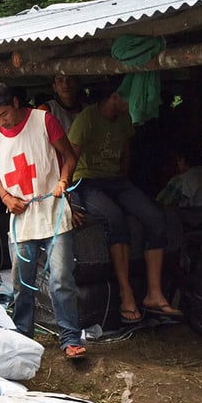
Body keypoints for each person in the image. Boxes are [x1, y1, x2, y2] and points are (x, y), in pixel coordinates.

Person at [0, 83, 86, 359]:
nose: (1, 122)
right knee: (21, 282)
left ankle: (70, 338)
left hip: (53, 210)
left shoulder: (43, 120)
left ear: (16, 102)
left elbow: (69, 156)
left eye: (4, 114)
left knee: (61, 277)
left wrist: (63, 180)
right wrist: (5, 197)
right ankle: (22, 335)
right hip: (21, 218)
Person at [68, 78, 182, 323]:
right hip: (87, 181)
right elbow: (70, 159)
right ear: (115, 97)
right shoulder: (86, 119)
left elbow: (126, 153)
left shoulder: (124, 119)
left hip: (116, 181)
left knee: (155, 217)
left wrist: (124, 184)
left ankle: (154, 293)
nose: (134, 102)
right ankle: (126, 292)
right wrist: (70, 198)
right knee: (114, 219)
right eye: (130, 97)